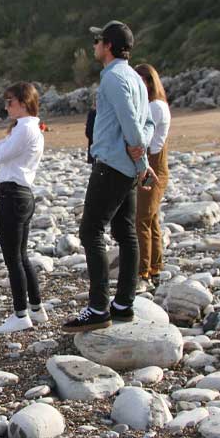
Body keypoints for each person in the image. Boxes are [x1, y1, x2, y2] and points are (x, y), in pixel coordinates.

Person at [62, 21, 156, 333]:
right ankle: (123, 304)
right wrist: (141, 162)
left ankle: (99, 307)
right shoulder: (135, 79)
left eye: (98, 40)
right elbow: (148, 123)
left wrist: (141, 160)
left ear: (109, 46)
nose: (94, 45)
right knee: (125, 232)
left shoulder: (114, 78)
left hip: (113, 166)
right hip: (125, 167)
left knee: (91, 231)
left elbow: (131, 123)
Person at [0, 82, 47, 334]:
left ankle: (20, 314)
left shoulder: (25, 129)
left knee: (13, 258)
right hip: (21, 195)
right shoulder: (28, 128)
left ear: (24, 103)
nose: (6, 106)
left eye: (10, 101)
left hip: (14, 196)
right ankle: (36, 308)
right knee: (21, 255)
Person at [134, 63, 171, 292]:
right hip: (153, 166)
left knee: (142, 219)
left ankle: (143, 271)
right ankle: (155, 267)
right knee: (151, 219)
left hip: (152, 168)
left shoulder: (155, 107)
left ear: (148, 82)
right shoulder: (156, 105)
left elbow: (143, 138)